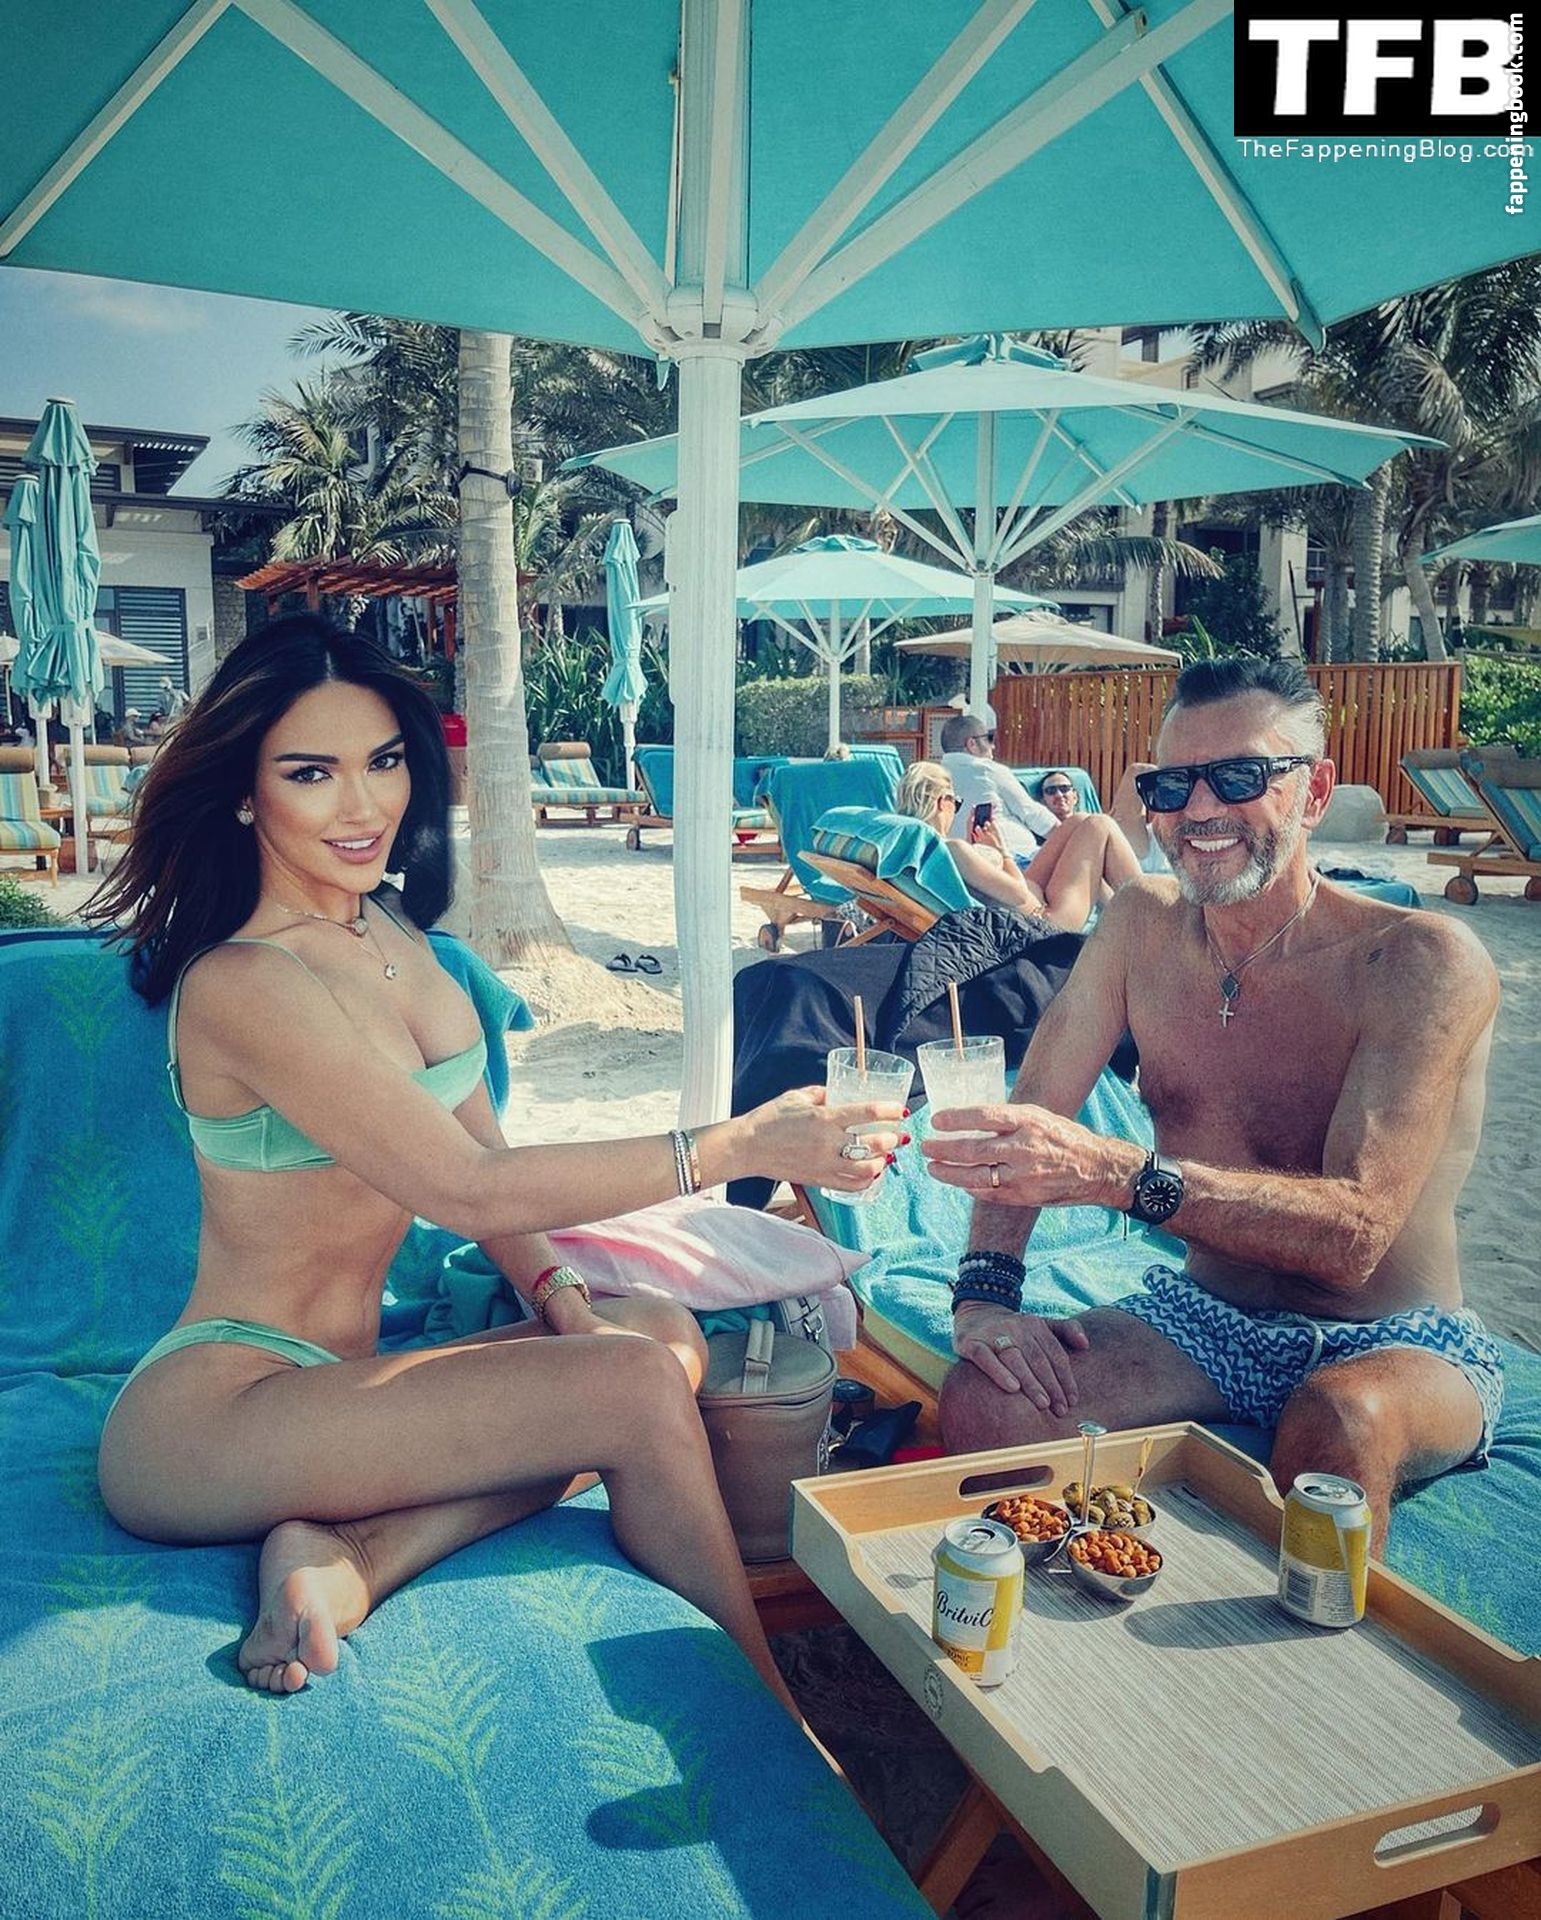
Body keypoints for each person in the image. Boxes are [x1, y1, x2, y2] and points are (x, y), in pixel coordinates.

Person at [88, 615, 904, 1703]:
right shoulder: (246, 982)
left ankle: (359, 1551)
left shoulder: (396, 939)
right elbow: (460, 1188)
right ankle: (779, 1722)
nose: (363, 805)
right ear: (245, 791)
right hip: (215, 1412)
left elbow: (488, 1152)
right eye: (311, 773)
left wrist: (563, 1300)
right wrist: (734, 1145)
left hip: (343, 1388)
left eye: (383, 761)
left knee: (656, 1333)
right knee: (629, 1389)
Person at [923, 655, 1503, 1554]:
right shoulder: (1138, 925)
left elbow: (1354, 1238)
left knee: (1339, 1422)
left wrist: (1121, 1176)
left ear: (1314, 793)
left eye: (1237, 777)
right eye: (1169, 785)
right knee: (984, 1403)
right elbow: (1032, 1113)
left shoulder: (1417, 961)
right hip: (1208, 1316)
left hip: (1394, 1335)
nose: (1197, 811)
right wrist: (986, 1295)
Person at [897, 761, 1142, 933]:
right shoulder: (953, 849)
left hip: (1030, 902)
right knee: (1099, 825)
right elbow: (1018, 894)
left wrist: (982, 851)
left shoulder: (916, 849)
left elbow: (977, 887)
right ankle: (1148, 911)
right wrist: (1002, 852)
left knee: (1078, 821)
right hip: (1044, 922)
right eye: (957, 802)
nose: (956, 809)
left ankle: (1120, 915)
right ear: (943, 802)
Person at [939, 712, 1057, 857]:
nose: (993, 746)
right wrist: (1066, 838)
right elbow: (1032, 814)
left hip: (961, 859)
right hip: (1014, 855)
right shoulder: (987, 770)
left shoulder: (934, 776)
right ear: (972, 744)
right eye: (989, 739)